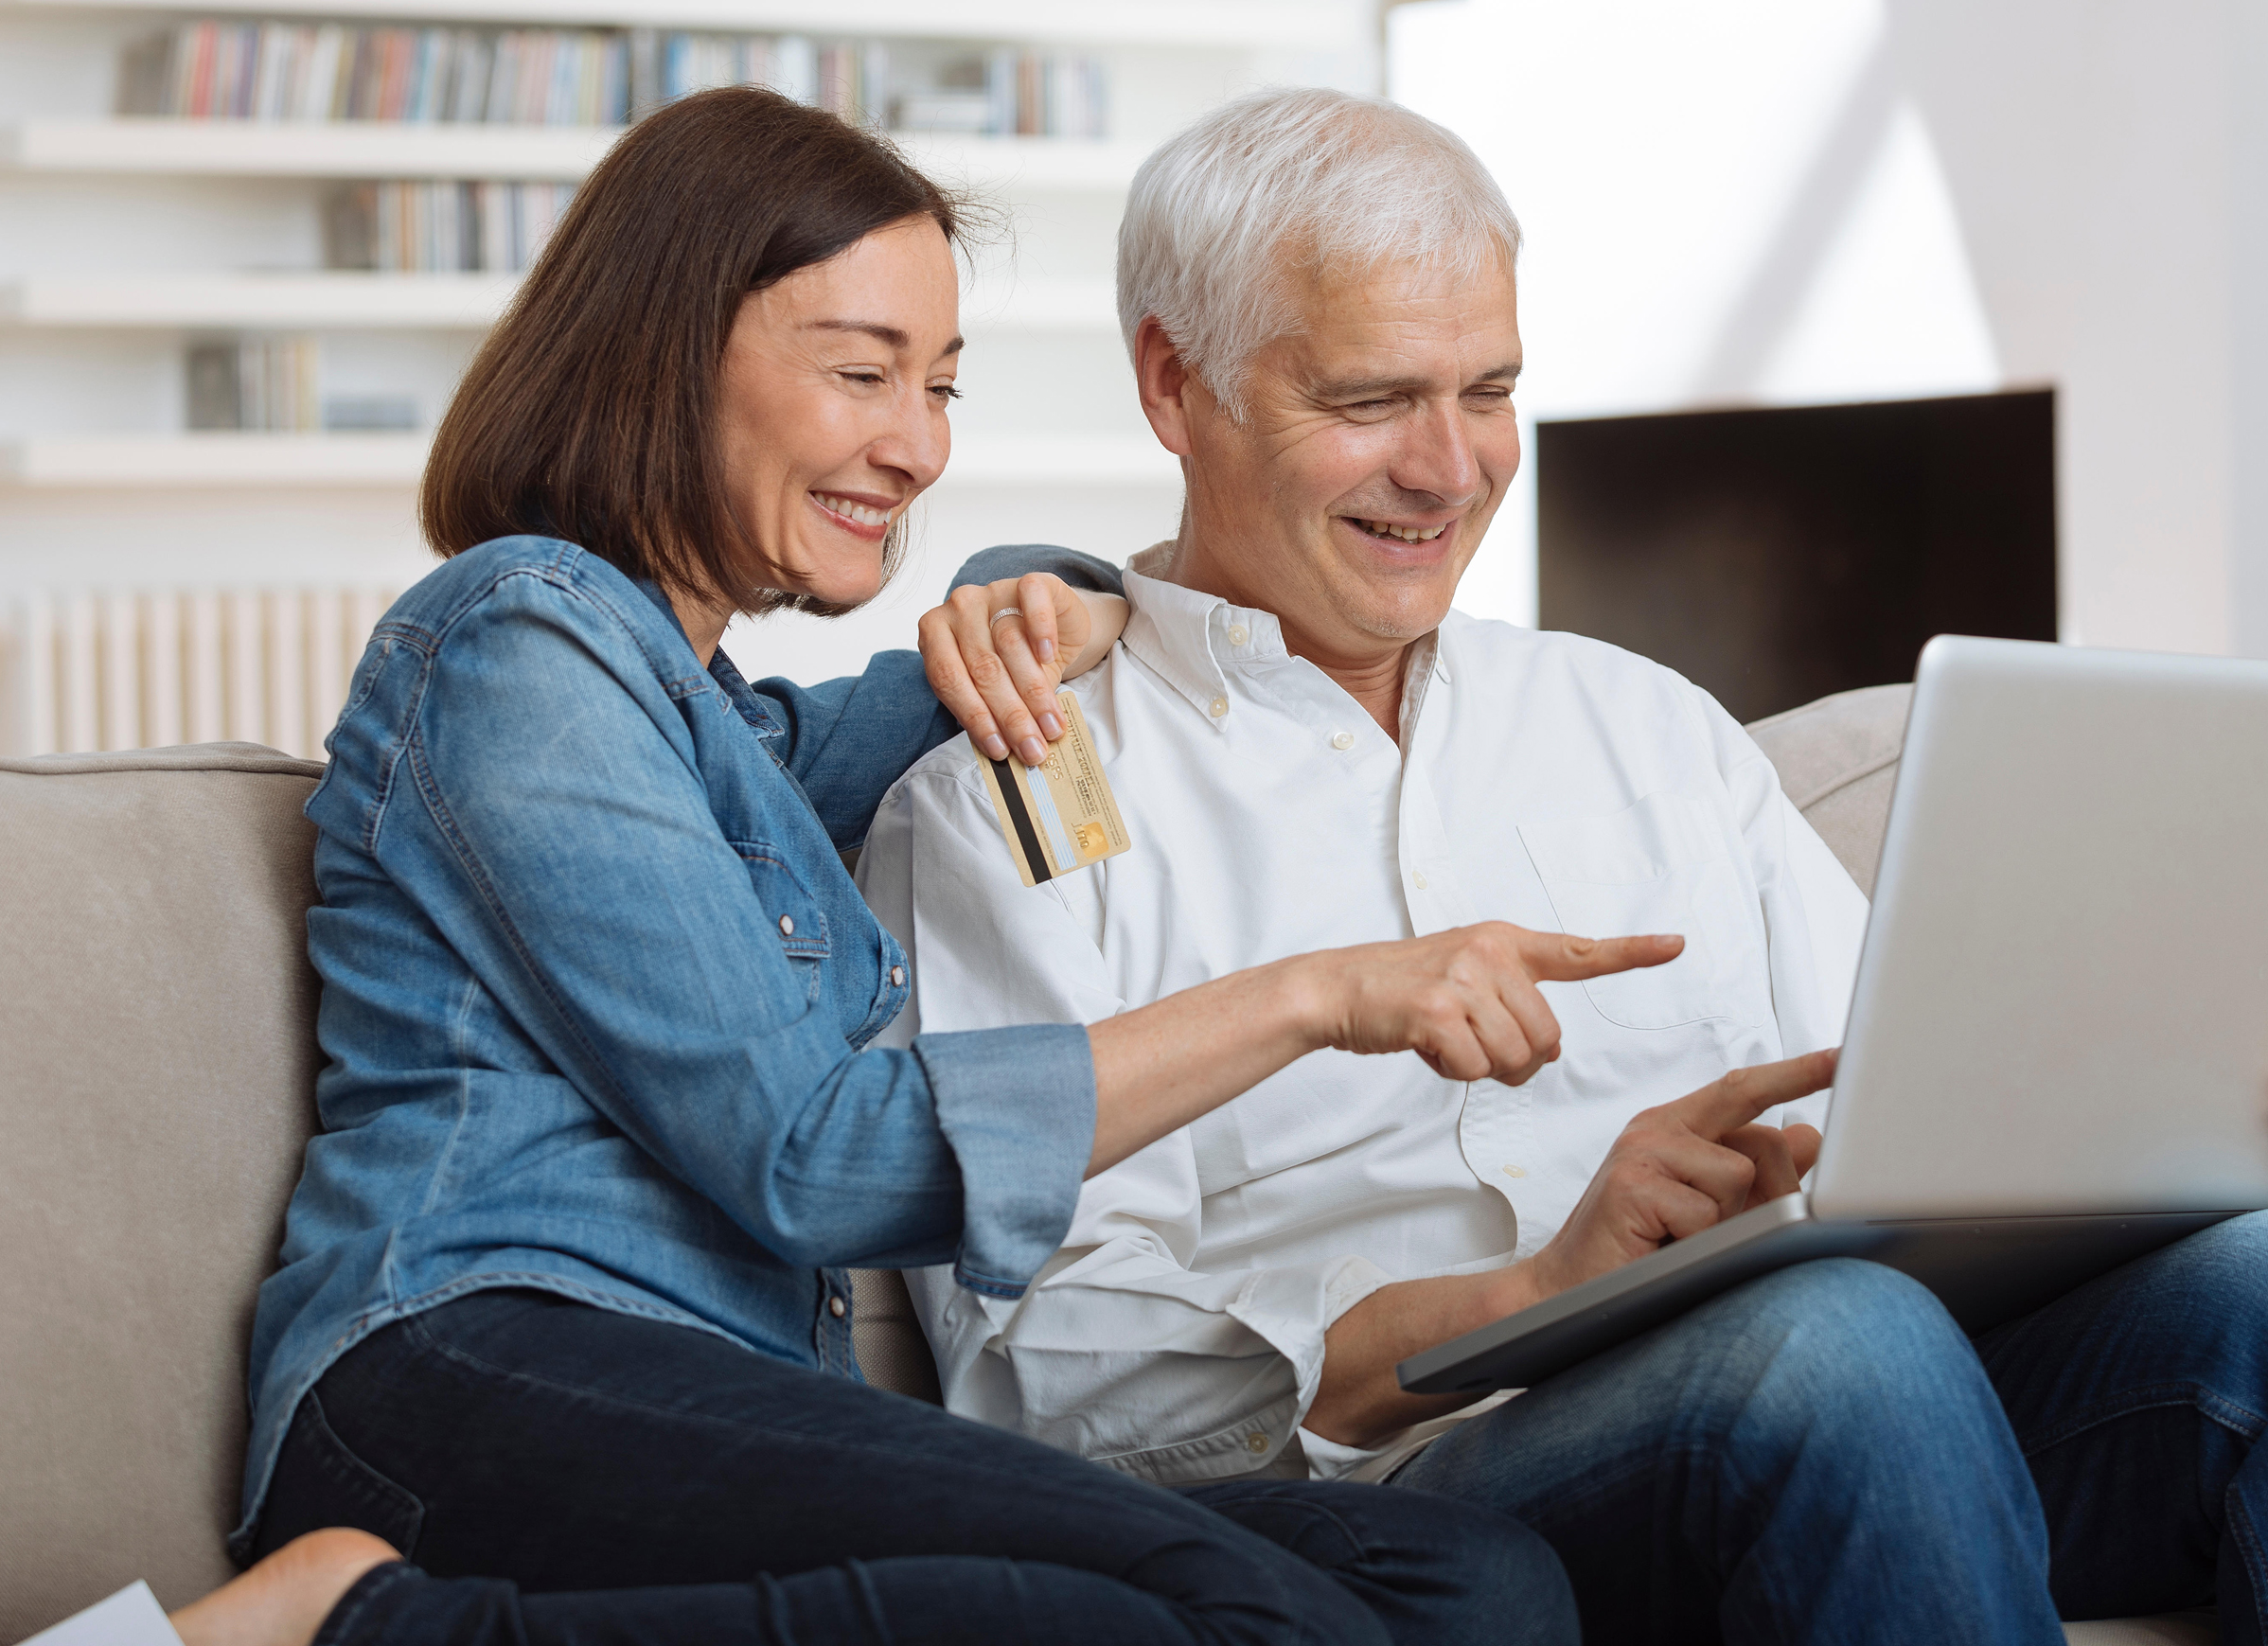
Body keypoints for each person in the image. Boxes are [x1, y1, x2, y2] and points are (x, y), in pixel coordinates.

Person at [865, 88, 2268, 1645]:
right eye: (1372, 399)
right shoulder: (1014, 790)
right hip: (1424, 1485)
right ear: (1176, 385)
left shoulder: (1642, 726)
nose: (1451, 469)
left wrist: (2234, 1137)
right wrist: (1525, 1294)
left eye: (1493, 391)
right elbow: (1038, 1378)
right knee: (1835, 1348)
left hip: (1869, 1409)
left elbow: (1913, 1133)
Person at [172, 87, 1613, 1646]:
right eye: (862, 372)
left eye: (940, 387)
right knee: (1229, 1606)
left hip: (725, 1398)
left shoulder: (718, 730)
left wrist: (1048, 593)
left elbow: (944, 677)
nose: (917, 444)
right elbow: (816, 1154)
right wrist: (1327, 995)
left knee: (1465, 1580)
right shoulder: (513, 646)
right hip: (473, 1373)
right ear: (665, 354)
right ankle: (351, 1630)